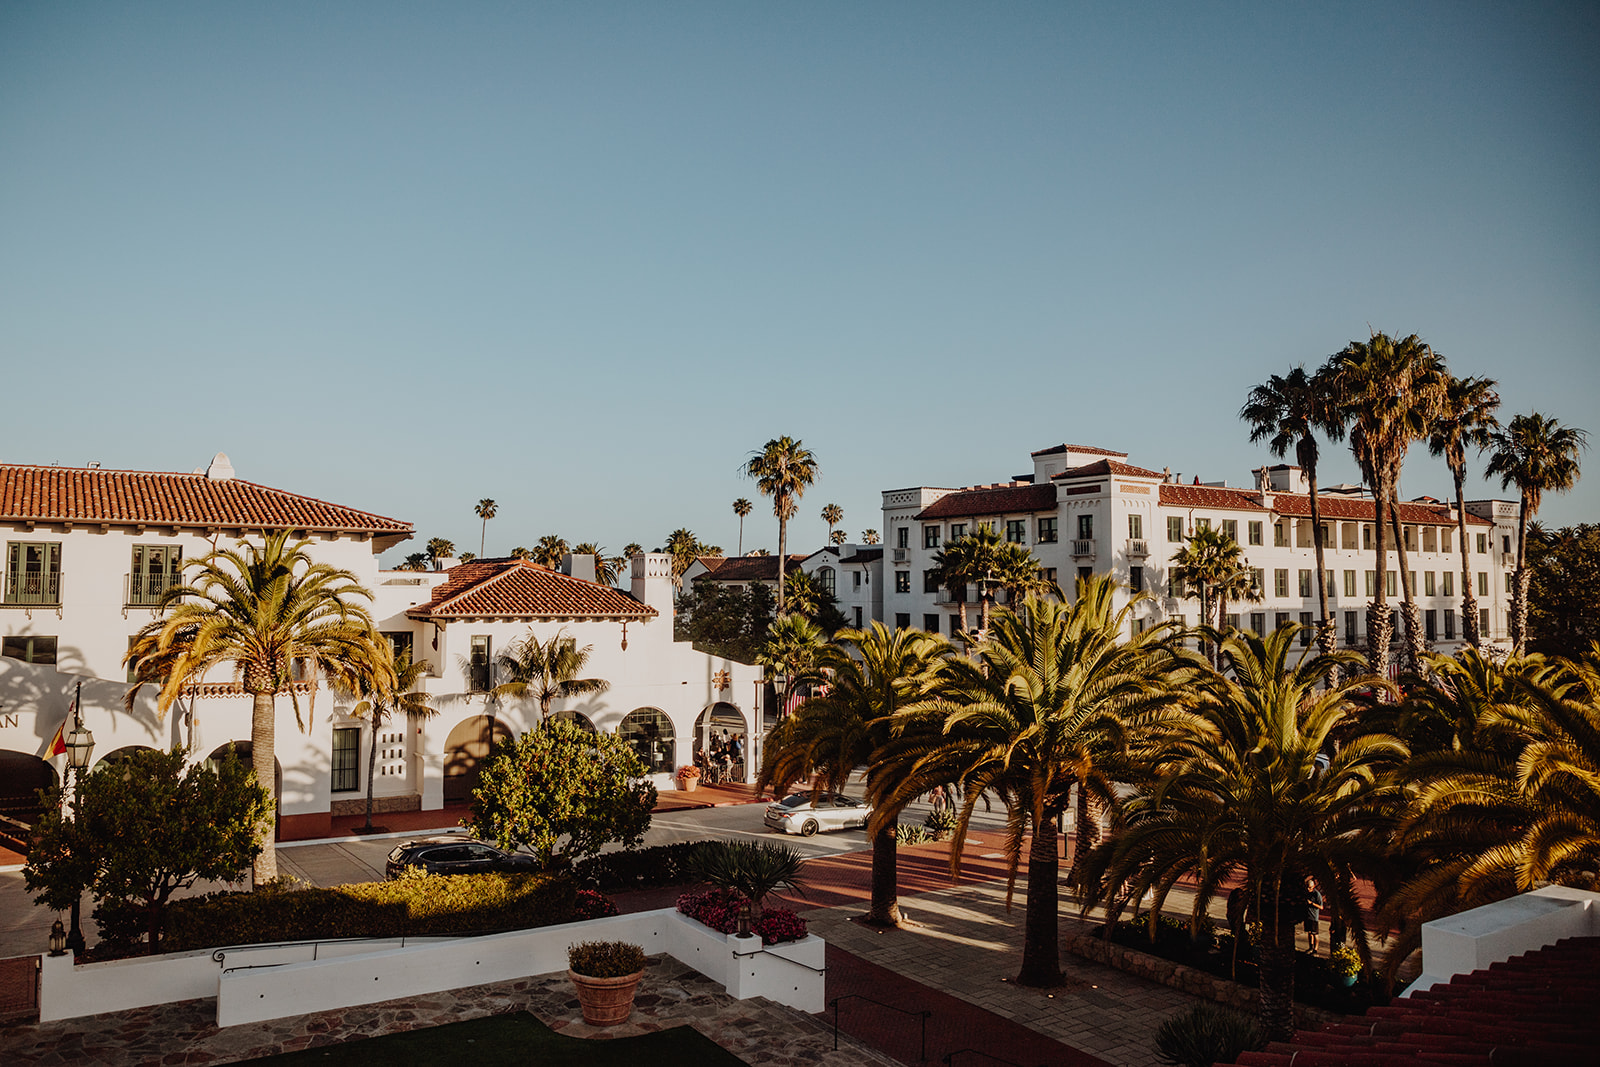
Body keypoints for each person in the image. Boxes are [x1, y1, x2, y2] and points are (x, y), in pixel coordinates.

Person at [1305, 879, 1324, 954]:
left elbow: (1321, 907)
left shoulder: (1316, 894)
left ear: (1313, 886)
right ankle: (1310, 947)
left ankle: (1315, 949)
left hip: (1314, 917)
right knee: (1309, 933)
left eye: (1310, 887)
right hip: (1307, 916)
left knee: (1315, 933)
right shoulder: (1306, 893)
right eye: (1307, 887)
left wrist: (1312, 903)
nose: (1308, 889)